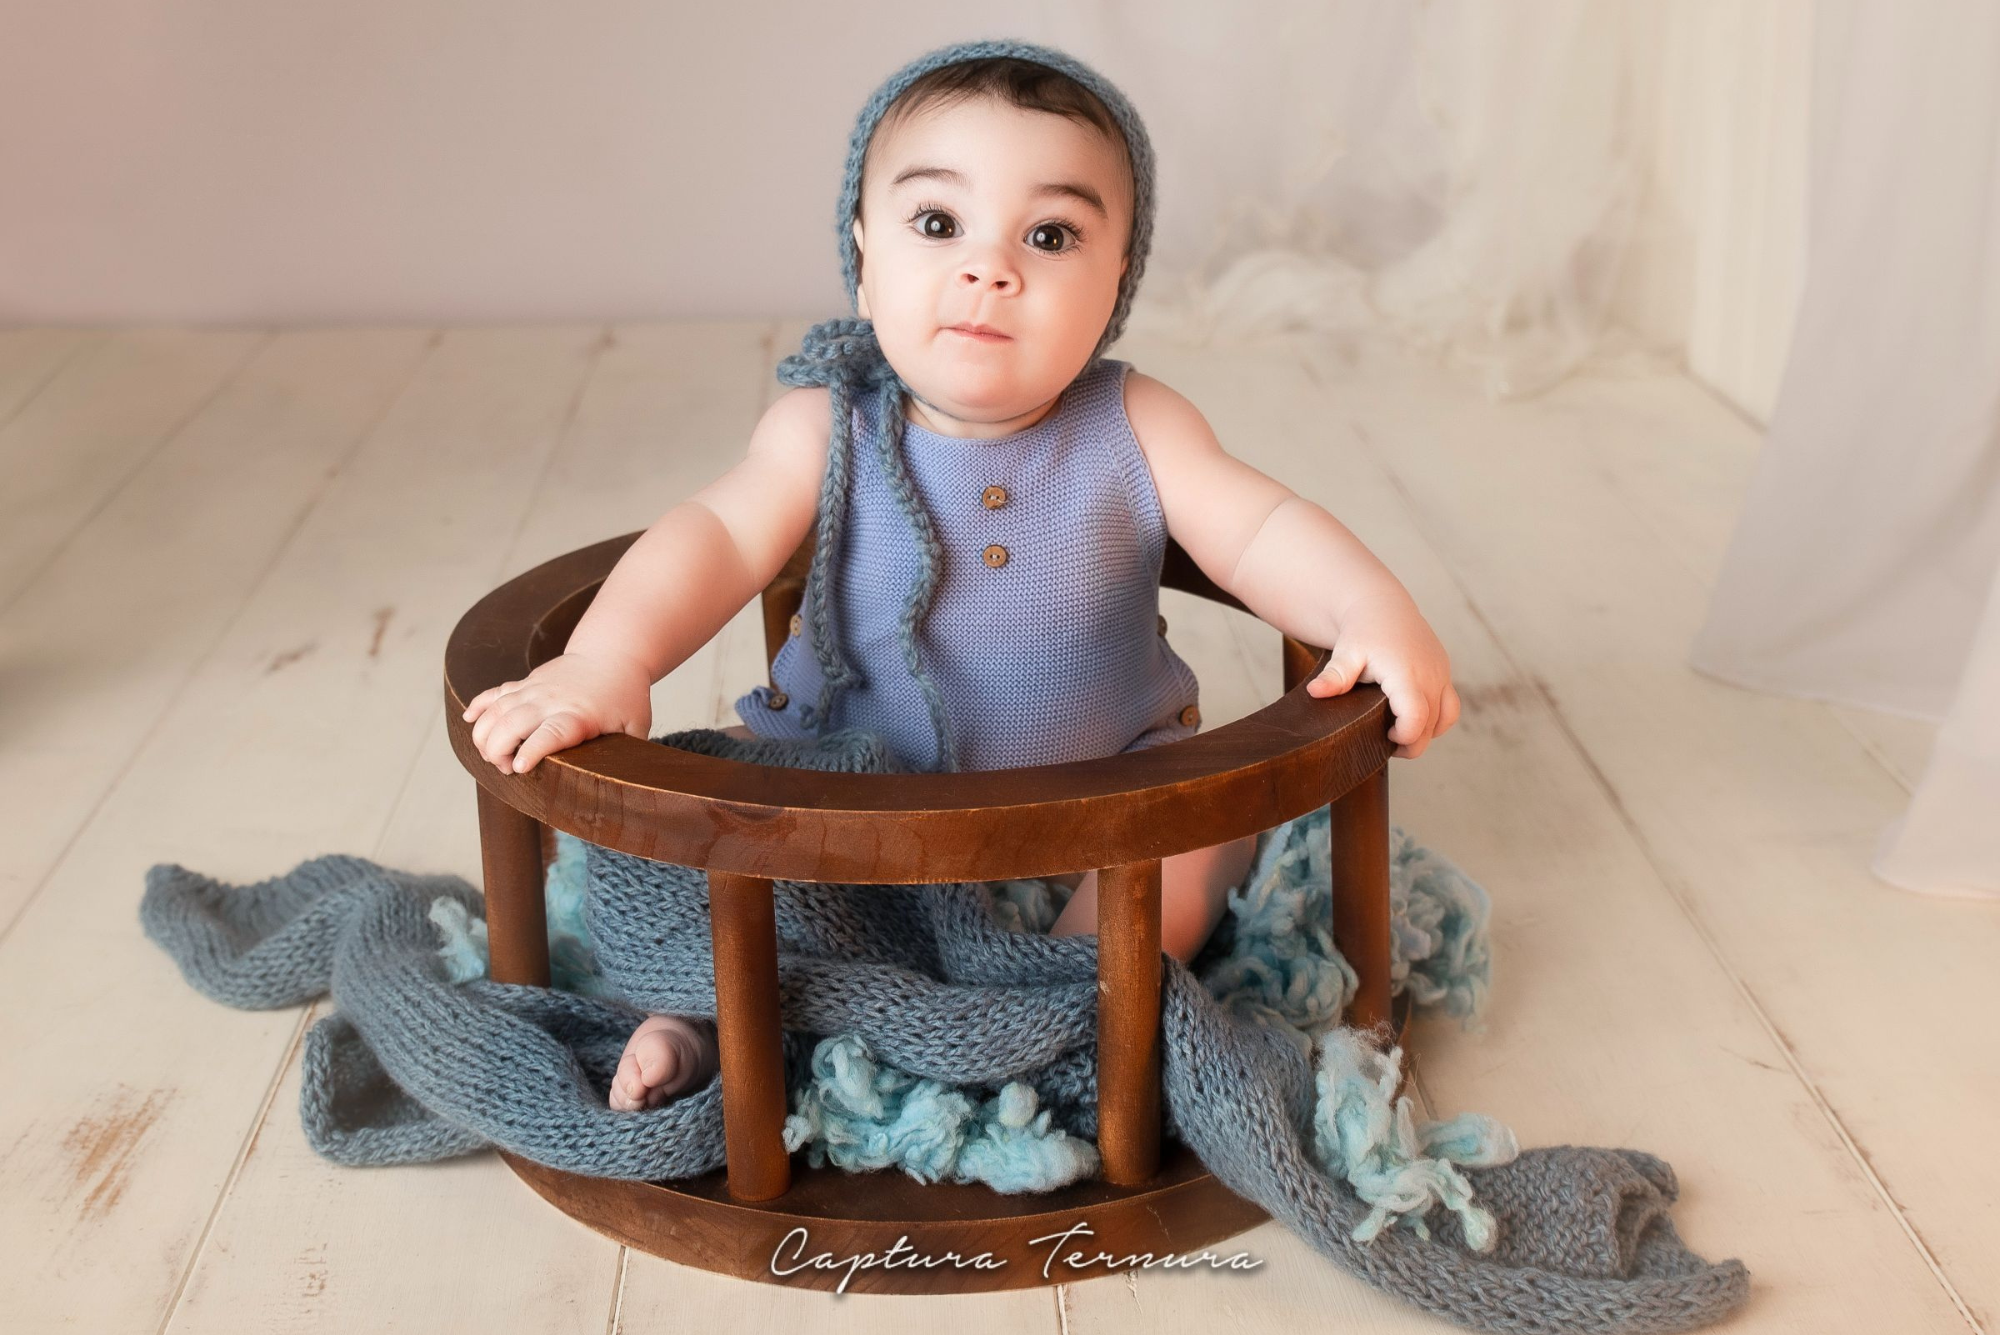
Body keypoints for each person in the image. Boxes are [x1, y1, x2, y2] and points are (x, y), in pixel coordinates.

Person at [461, 41, 1459, 1113]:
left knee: (1205, 833)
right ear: (862, 255)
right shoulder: (822, 425)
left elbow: (1264, 532)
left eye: (1051, 234)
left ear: (1116, 279)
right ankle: (696, 1019)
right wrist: (608, 660)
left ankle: (1067, 1002)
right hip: (840, 792)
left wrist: (1370, 607)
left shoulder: (1138, 425)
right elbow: (709, 538)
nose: (991, 267)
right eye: (937, 225)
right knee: (726, 849)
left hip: (1101, 797)